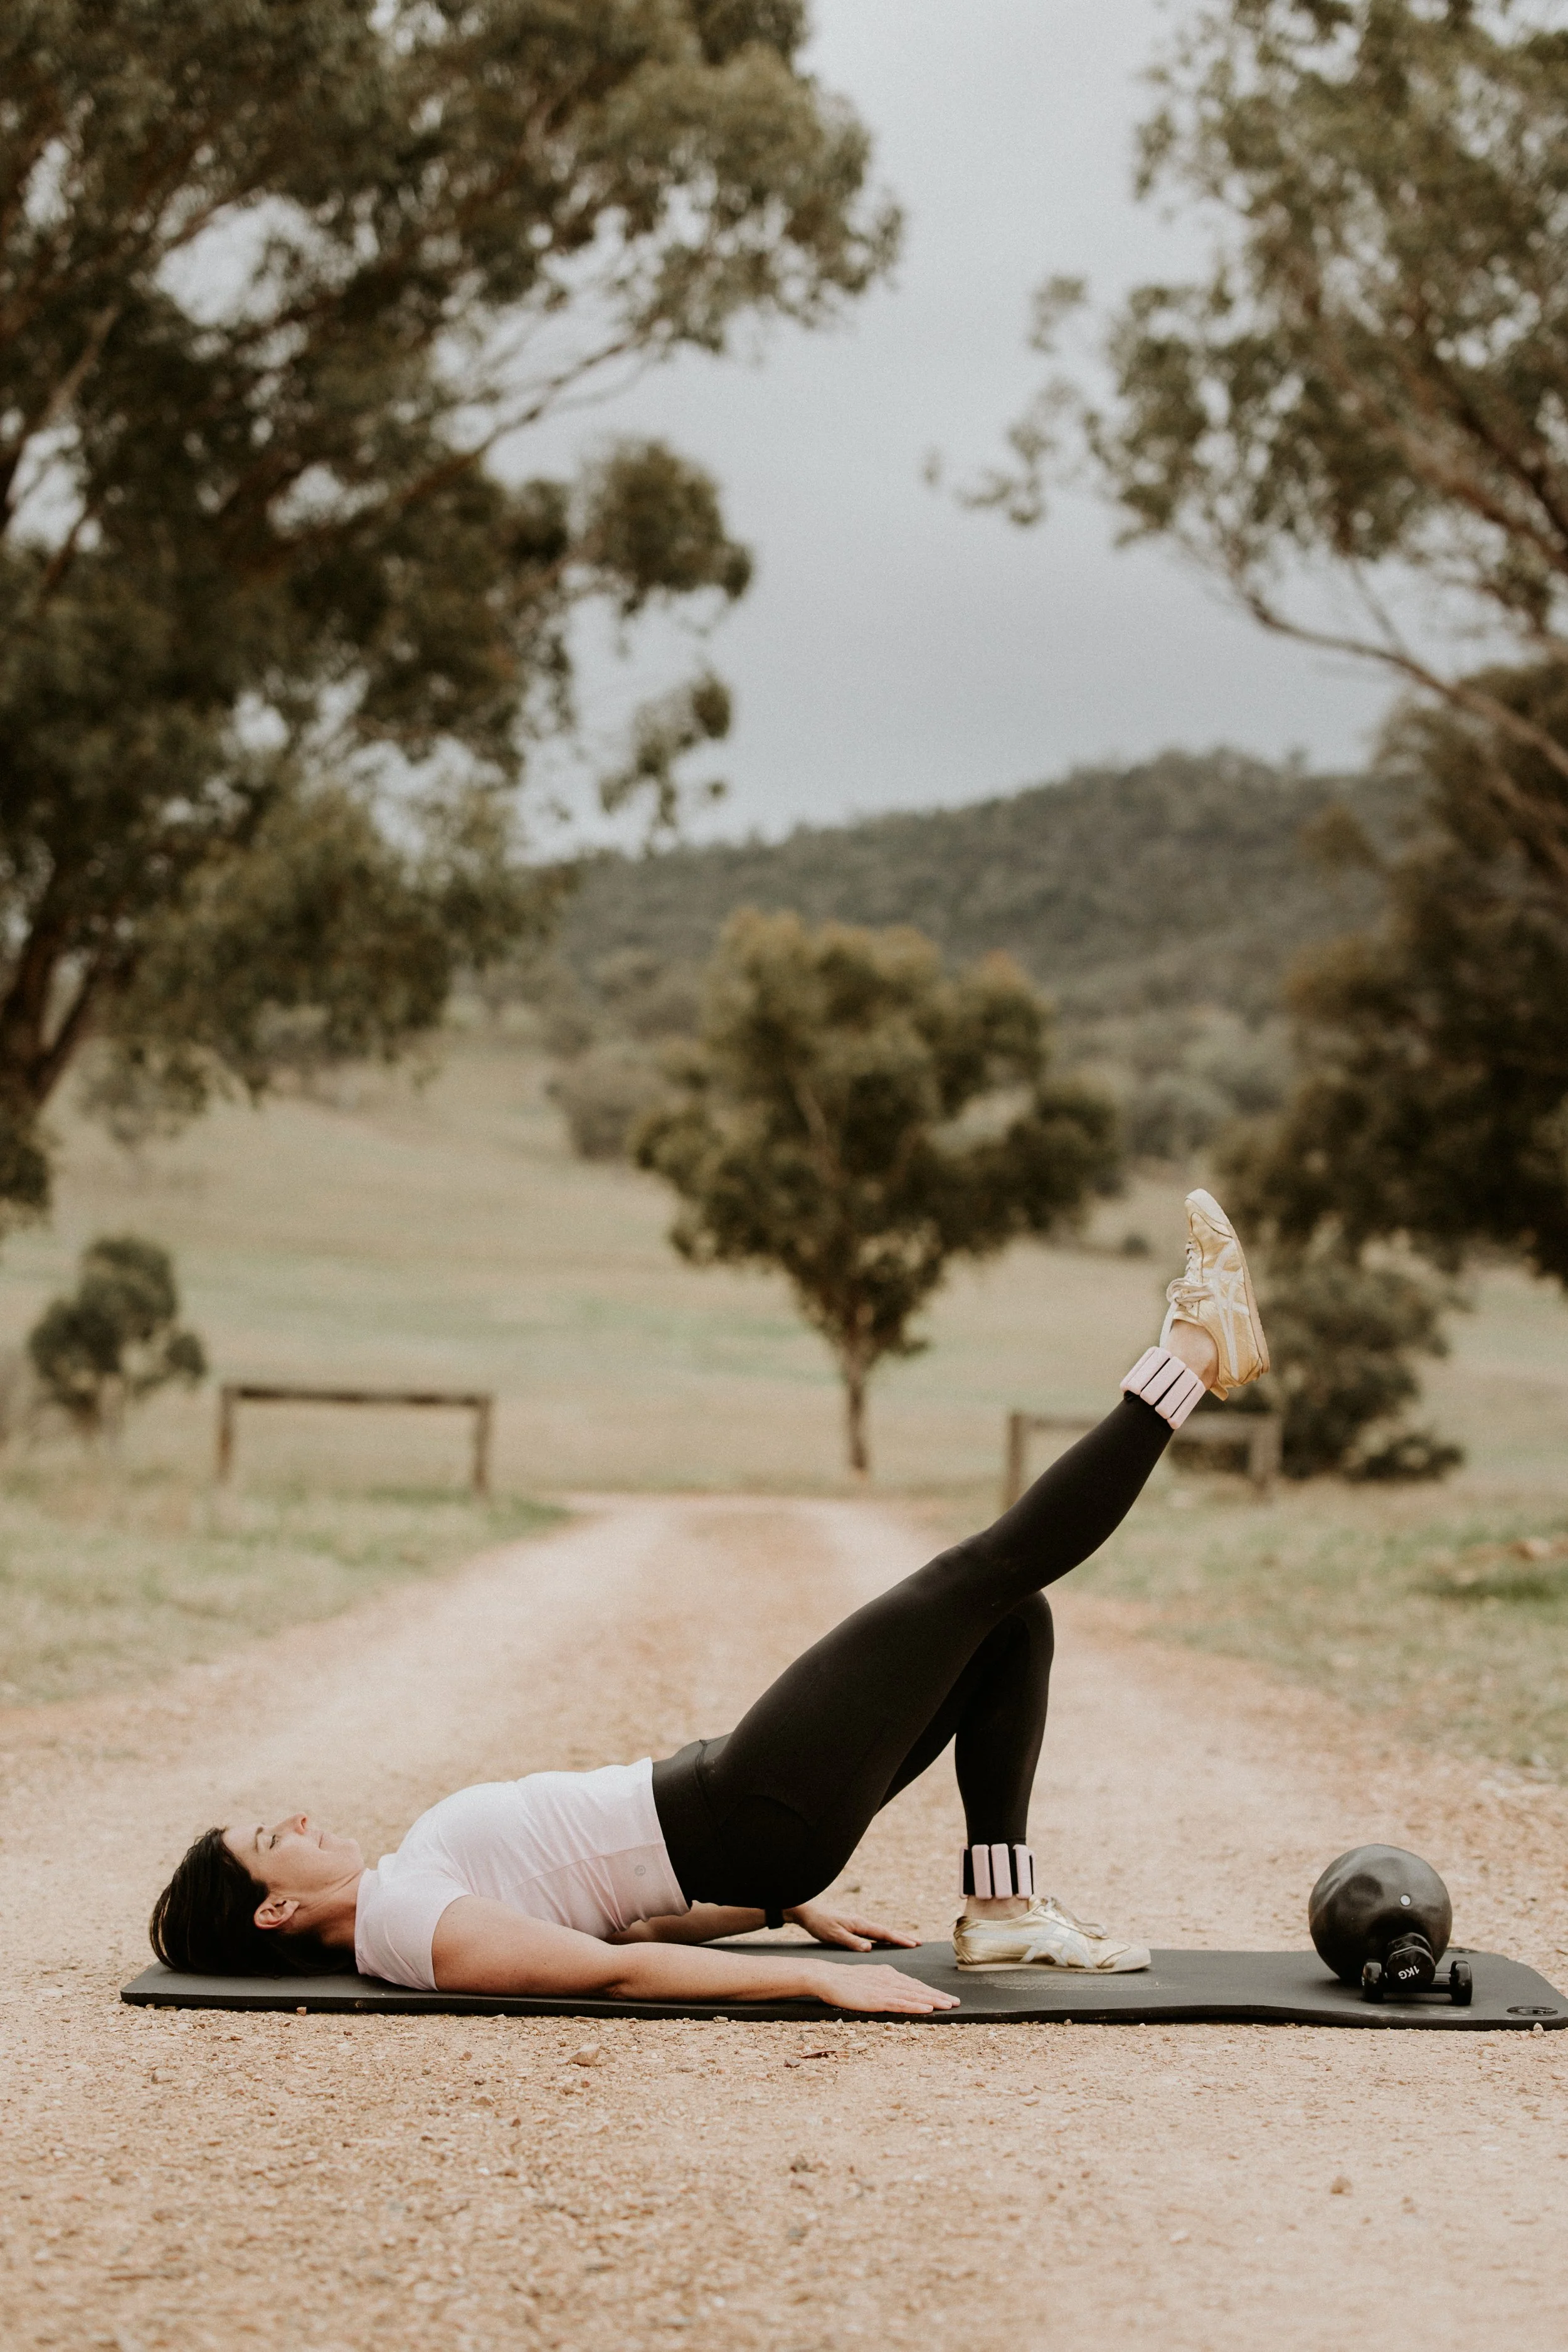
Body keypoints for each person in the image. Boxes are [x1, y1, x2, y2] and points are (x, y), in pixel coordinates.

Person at [149, 1190, 1268, 2016]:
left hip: (747, 1823)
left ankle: (1006, 1904)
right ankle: (1183, 1356)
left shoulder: (407, 1885)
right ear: (274, 1910)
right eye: (268, 1838)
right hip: (743, 1805)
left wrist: (781, 1907)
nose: (293, 1817)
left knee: (1008, 1614)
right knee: (974, 1575)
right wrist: (813, 1987)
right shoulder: (402, 1926)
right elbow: (611, 1969)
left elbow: (624, 1913)